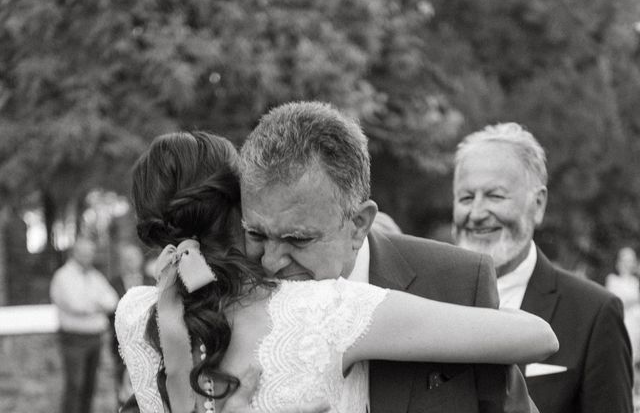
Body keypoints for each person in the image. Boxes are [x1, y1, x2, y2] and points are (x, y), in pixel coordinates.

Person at [117, 124, 556, 413]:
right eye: (258, 233)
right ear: (239, 208)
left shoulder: (137, 314)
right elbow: (538, 336)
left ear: (359, 223)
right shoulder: (326, 308)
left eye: (298, 238)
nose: (271, 260)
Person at [452, 122, 633, 413]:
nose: (477, 213)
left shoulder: (594, 313)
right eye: (466, 198)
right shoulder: (427, 297)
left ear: (538, 205)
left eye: (495, 196)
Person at [50, 237, 120, 413]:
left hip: (95, 338)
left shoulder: (95, 276)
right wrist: (98, 303)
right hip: (73, 339)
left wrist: (93, 303)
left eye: (91, 253)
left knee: (90, 387)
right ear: (75, 253)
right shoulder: (63, 276)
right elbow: (76, 305)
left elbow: (112, 301)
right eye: (85, 253)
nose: (89, 256)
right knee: (75, 386)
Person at [109, 243, 155, 406]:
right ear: (121, 261)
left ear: (141, 260)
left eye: (134, 258)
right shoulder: (112, 284)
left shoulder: (152, 282)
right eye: (126, 259)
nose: (130, 262)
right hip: (121, 348)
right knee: (124, 393)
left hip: (149, 347)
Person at [606, 246, 640, 365]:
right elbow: (616, 301)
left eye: (631, 260)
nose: (629, 264)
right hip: (622, 324)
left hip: (635, 326)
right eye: (626, 260)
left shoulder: (635, 282)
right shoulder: (613, 280)